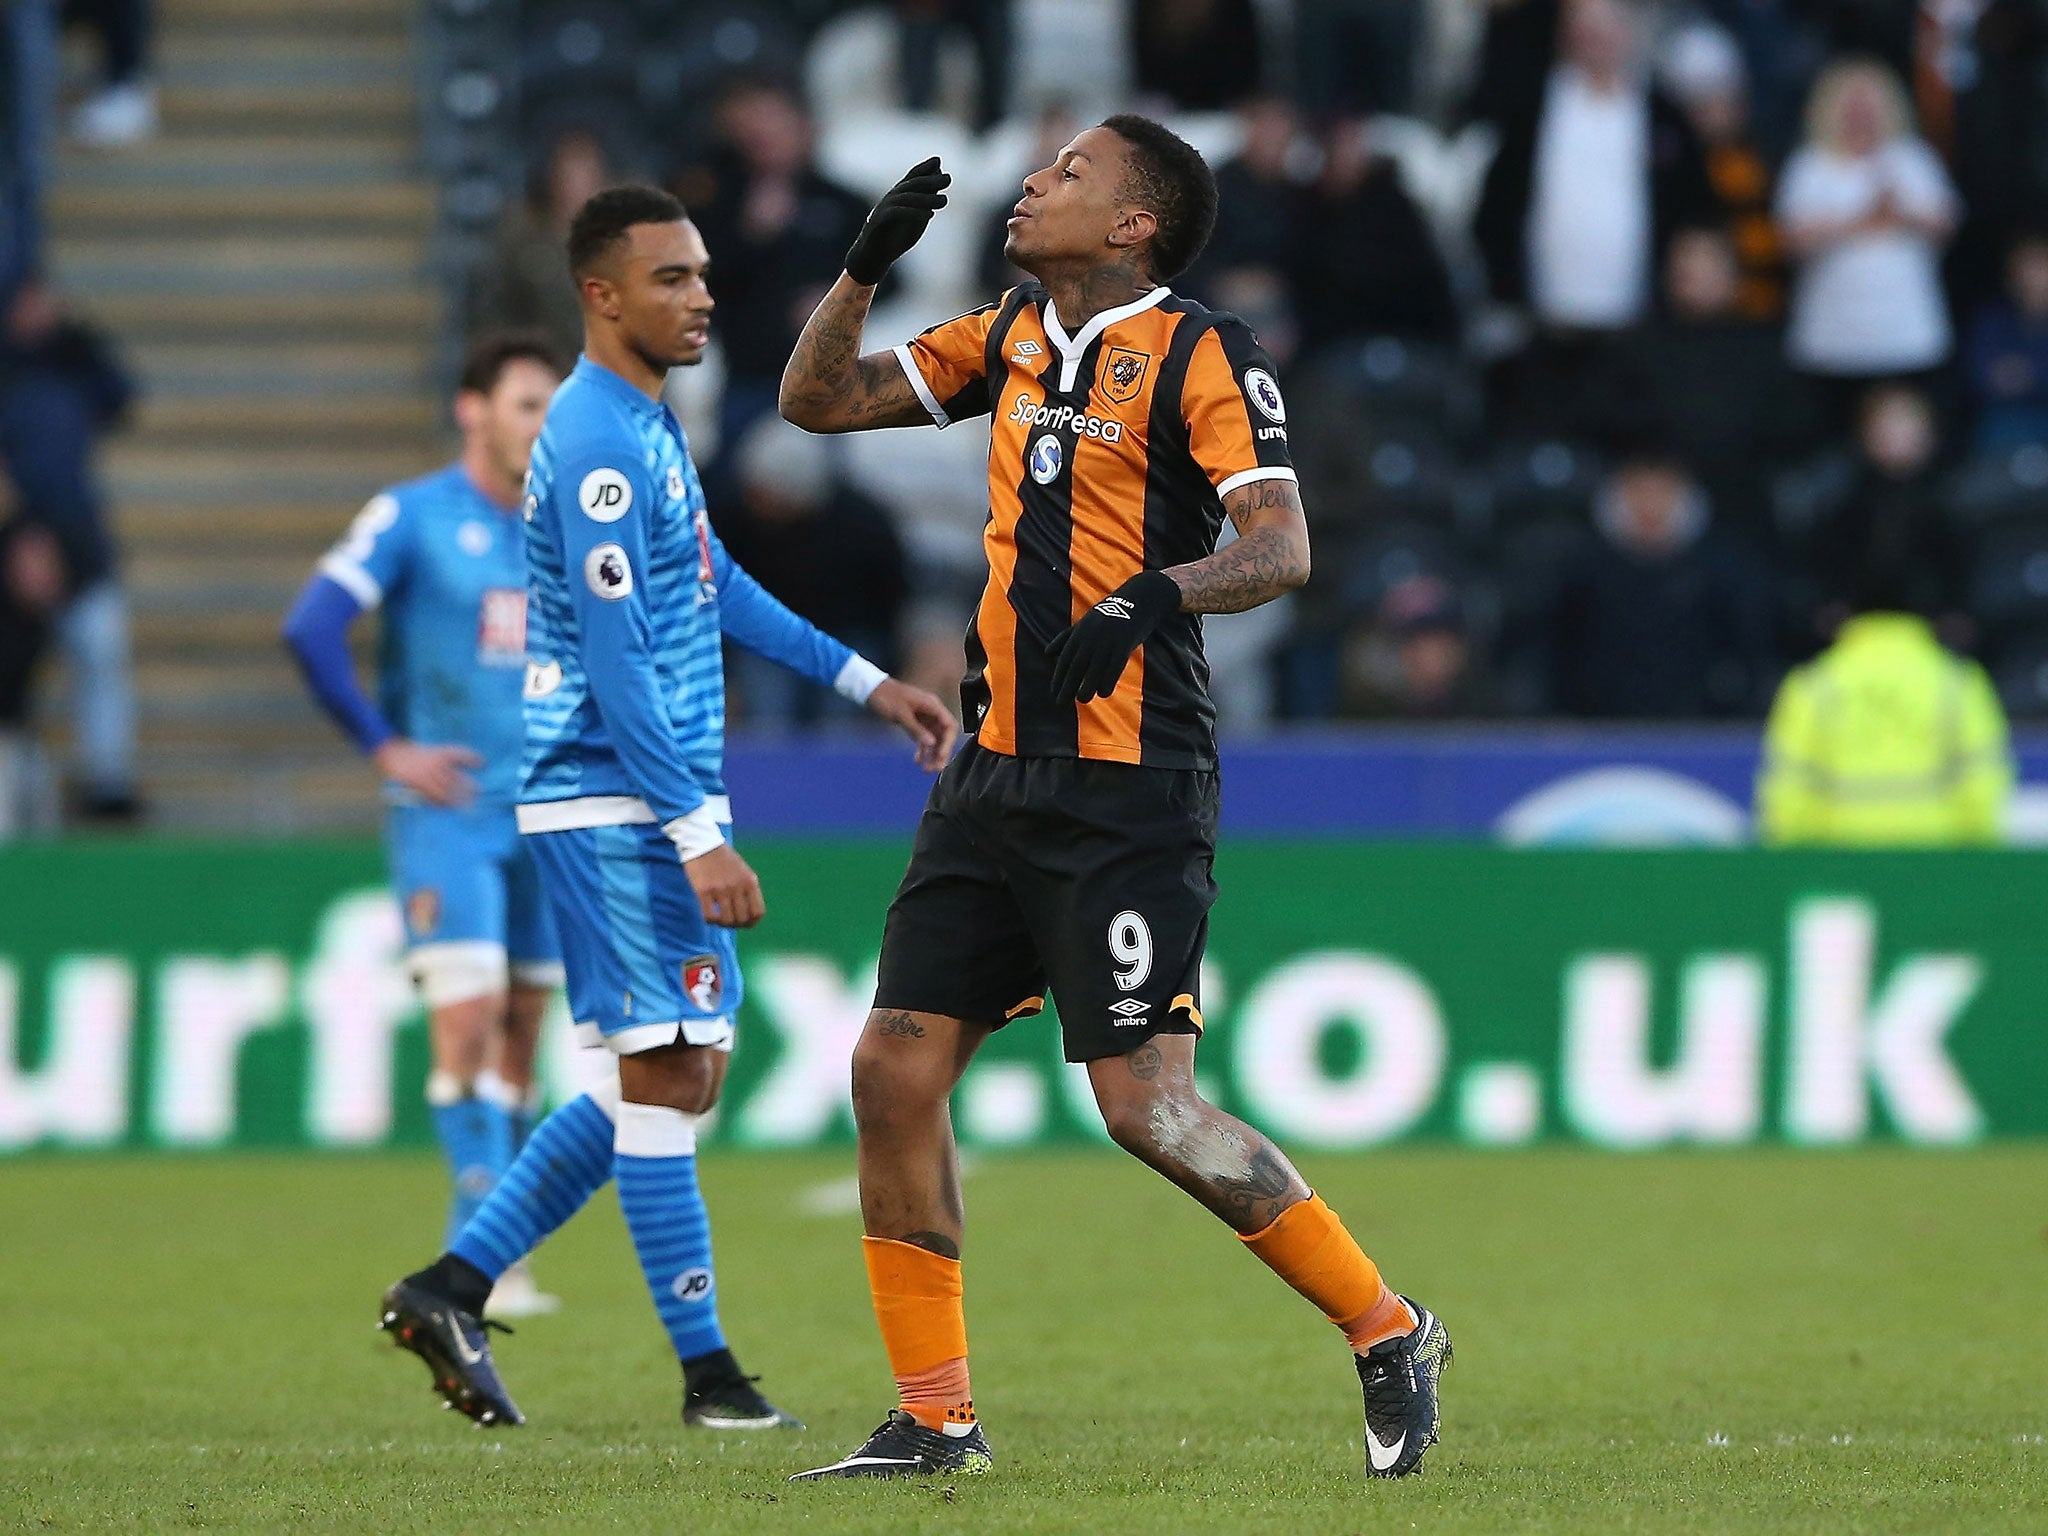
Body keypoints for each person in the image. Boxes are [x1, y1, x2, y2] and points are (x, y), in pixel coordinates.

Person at [777, 117, 1450, 1481]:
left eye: (1072, 172)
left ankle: (1388, 1329)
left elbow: (1281, 546)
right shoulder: (1010, 331)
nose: (1036, 183)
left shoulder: (1203, 353)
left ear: (1138, 222)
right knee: (890, 1068)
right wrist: (860, 268)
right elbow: (819, 403)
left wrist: (1152, 592)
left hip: (1130, 781)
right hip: (989, 772)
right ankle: (935, 1418)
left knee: (1147, 1108)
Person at [374, 186, 958, 1433]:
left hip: (631, 798)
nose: (700, 296)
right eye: (671, 279)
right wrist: (695, 831)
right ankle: (689, 1370)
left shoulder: (644, 427)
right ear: (600, 294)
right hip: (610, 802)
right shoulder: (588, 442)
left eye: (701, 274)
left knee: (673, 1074)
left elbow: (716, 583)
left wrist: (862, 681)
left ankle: (465, 1290)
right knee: (666, 1069)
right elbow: (616, 661)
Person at [282, 331, 568, 1320]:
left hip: (549, 811)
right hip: (448, 811)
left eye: (552, 407)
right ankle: (476, 1247)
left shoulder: (566, 525)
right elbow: (312, 625)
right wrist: (384, 746)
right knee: (468, 1018)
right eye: (528, 404)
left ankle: (501, 1251)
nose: (543, 425)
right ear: (472, 409)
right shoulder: (411, 516)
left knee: (524, 1032)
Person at [0, 274, 141, 819]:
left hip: (82, 546)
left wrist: (76, 334)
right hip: (14, 552)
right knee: (14, 688)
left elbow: (124, 397)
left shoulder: (73, 366)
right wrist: (22, 537)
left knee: (102, 654)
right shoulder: (7, 375)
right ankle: (21, 809)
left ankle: (107, 783)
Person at [1757, 563, 2013, 844]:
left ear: (1846, 615)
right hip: (1936, 867)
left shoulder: (1813, 685)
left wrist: (1800, 868)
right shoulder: (1958, 684)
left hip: (1838, 868)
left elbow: (1787, 800)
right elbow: (1983, 791)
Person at [1533, 448, 1774, 718]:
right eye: (1639, 491)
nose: (1649, 504)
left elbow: (1747, 648)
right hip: (1598, 727)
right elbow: (1555, 653)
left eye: (1661, 492)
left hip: (1698, 726)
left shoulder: (1722, 565)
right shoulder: (1581, 565)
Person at [1776, 58, 1958, 402]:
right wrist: (1861, 219)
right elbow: (1791, 239)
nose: (1861, 114)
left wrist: (1900, 213)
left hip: (1907, 331)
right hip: (1832, 334)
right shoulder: (1810, 165)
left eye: (1869, 104)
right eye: (1852, 105)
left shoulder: (1913, 159)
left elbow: (1946, 224)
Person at [1964, 227, 2048, 453]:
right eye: (2027, 267)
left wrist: (2031, 374)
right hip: (2005, 417)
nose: (2035, 277)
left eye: (2041, 266)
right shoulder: (1992, 317)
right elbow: (1979, 373)